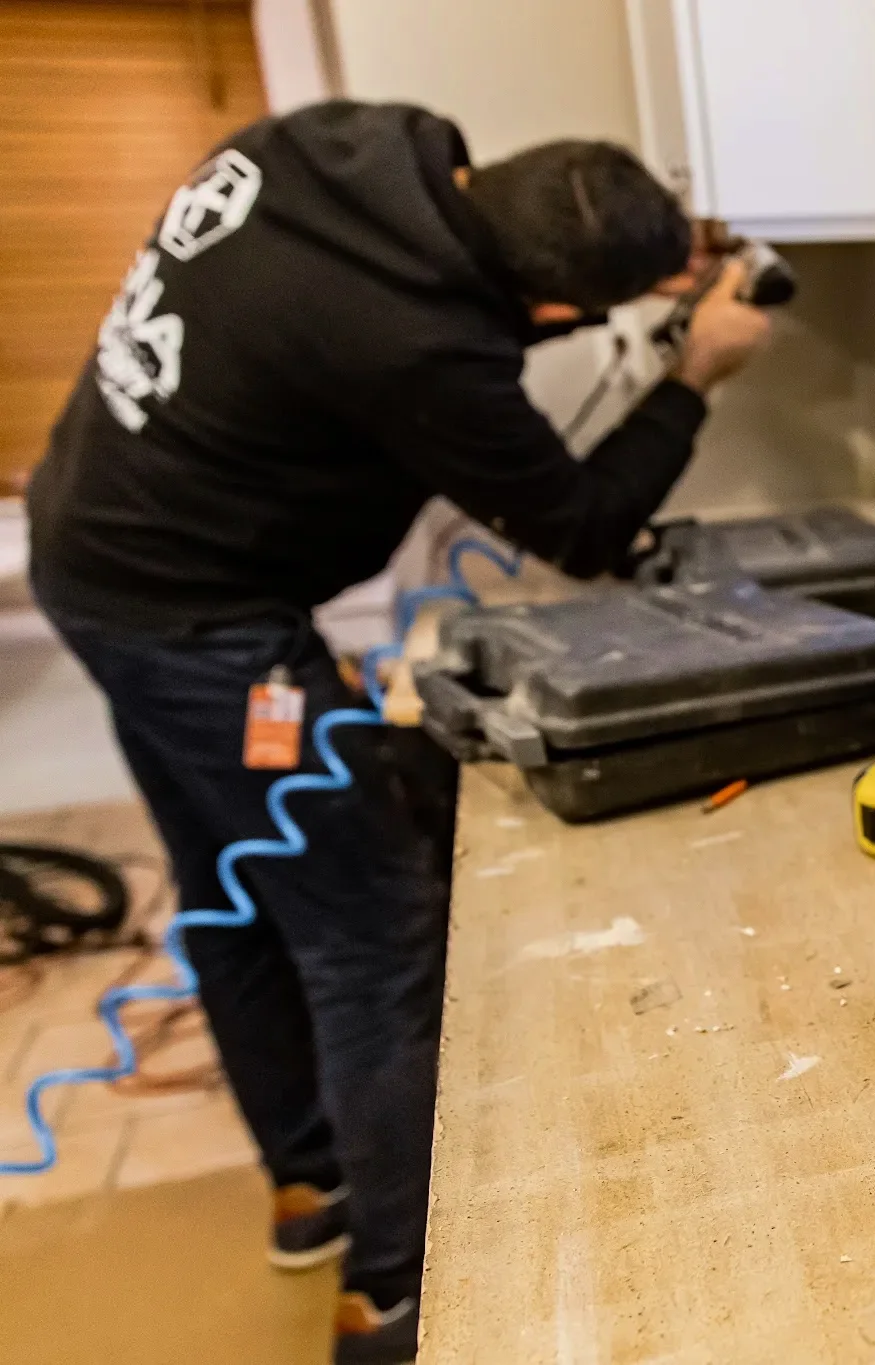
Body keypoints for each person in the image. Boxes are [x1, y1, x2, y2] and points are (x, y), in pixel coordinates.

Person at [25, 101, 769, 1365]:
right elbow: (584, 526)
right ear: (552, 310)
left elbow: (453, 299)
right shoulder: (420, 346)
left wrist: (638, 254)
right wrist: (693, 372)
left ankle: (311, 1189)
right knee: (372, 935)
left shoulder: (330, 145)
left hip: (93, 550)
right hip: (193, 618)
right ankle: (398, 1298)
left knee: (237, 891)